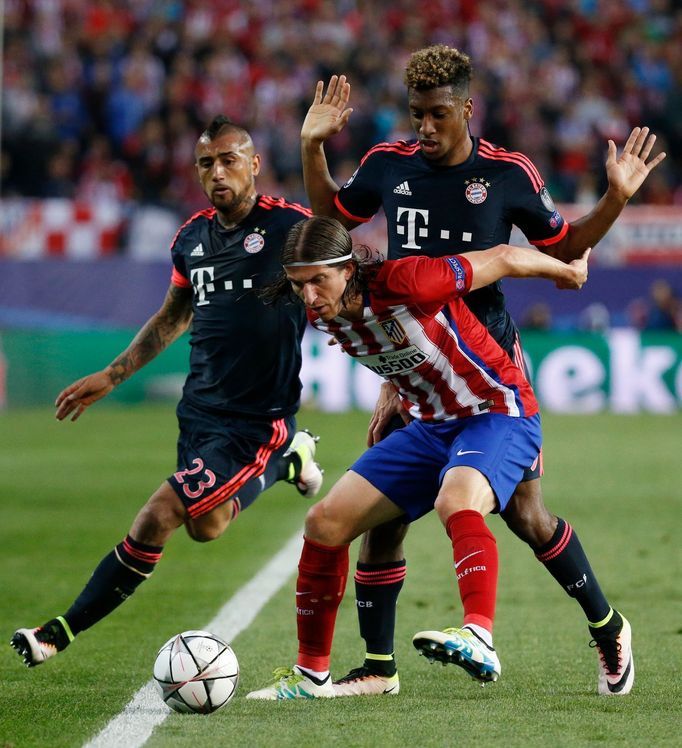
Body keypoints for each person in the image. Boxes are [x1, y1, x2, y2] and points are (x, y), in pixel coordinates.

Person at [299, 45, 664, 697]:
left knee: (526, 516)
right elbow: (329, 230)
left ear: (467, 109)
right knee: (382, 519)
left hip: (487, 362)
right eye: (417, 115)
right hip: (410, 361)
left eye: (439, 115)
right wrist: (312, 150)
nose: (426, 128)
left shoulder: (507, 175)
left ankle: (607, 626)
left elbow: (567, 248)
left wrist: (613, 199)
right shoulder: (388, 165)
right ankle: (378, 669)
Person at [10, 116, 324, 667]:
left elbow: (338, 274)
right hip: (200, 409)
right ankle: (289, 464)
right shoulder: (191, 238)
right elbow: (173, 315)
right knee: (207, 526)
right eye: (207, 164)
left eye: (230, 160)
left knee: (159, 515)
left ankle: (59, 631)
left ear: (254, 165)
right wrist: (112, 375)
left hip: (255, 419)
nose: (218, 173)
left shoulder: (291, 228)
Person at [246, 215, 591, 699]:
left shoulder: (410, 280)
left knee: (458, 500)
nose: (308, 296)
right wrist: (392, 390)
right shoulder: (321, 309)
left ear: (348, 269)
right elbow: (393, 346)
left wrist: (565, 272)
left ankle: (479, 635)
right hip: (429, 425)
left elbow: (502, 257)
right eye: (299, 284)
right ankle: (312, 675)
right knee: (324, 522)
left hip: (495, 410)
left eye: (317, 280)